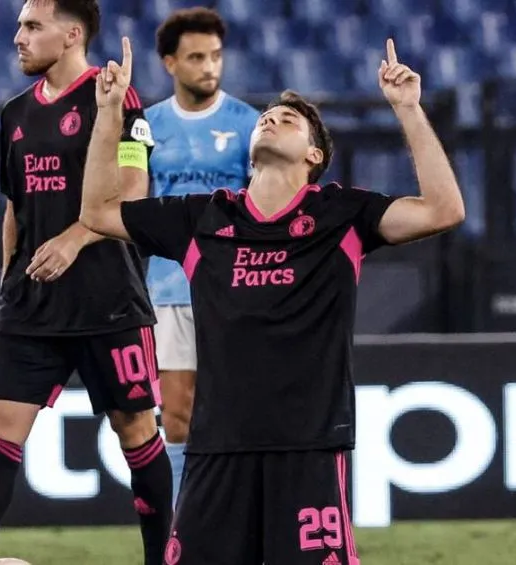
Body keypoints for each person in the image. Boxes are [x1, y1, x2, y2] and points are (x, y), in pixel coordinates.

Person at [81, 38, 465, 564]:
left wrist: (408, 109)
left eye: (288, 119)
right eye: (267, 116)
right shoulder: (203, 217)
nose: (271, 119)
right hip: (217, 450)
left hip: (307, 448)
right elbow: (99, 213)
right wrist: (108, 116)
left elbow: (443, 210)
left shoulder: (342, 215)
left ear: (314, 156)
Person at [0, 1, 172, 564]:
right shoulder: (14, 113)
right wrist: (9, 283)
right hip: (32, 307)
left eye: (32, 26)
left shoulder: (116, 95)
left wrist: (75, 238)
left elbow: (133, 191)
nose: (18, 37)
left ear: (72, 34)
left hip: (109, 301)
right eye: (20, 25)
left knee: (137, 434)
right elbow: (14, 208)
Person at [144, 6, 259, 505]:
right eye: (195, 57)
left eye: (215, 56)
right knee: (177, 414)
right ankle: (181, 531)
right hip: (169, 288)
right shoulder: (144, 128)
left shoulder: (250, 125)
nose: (209, 67)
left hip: (234, 287)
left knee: (239, 410)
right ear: (170, 63)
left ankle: (236, 522)